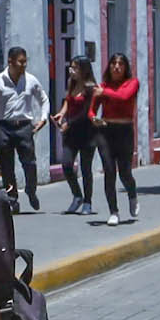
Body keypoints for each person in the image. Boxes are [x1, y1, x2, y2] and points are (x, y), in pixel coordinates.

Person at [0, 46, 49, 211]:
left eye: (25, 62)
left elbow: (43, 99)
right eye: (20, 62)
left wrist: (43, 118)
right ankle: (12, 199)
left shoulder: (31, 80)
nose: (24, 65)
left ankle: (31, 190)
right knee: (6, 165)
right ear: (10, 62)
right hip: (5, 127)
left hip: (25, 127)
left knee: (29, 163)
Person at [92, 53, 141, 223]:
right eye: (113, 63)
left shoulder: (132, 83)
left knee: (125, 172)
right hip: (106, 131)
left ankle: (132, 195)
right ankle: (113, 211)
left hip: (125, 131)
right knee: (109, 171)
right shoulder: (103, 86)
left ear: (125, 67)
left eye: (120, 64)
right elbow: (92, 109)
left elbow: (124, 96)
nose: (117, 67)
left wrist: (103, 91)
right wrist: (93, 118)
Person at [54, 58, 100, 217]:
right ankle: (77, 195)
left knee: (86, 169)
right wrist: (62, 113)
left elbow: (86, 111)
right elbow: (68, 101)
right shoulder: (71, 83)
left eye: (75, 68)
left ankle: (87, 202)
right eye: (70, 67)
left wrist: (69, 123)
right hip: (71, 133)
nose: (71, 71)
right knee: (66, 164)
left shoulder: (91, 88)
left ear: (83, 70)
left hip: (87, 132)